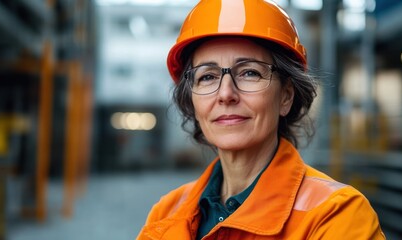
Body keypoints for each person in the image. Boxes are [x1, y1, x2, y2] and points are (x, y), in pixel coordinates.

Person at [137, 0, 385, 239]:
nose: (226, 94)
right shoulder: (166, 213)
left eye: (249, 73)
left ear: (286, 96)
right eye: (207, 77)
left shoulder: (336, 215)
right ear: (191, 99)